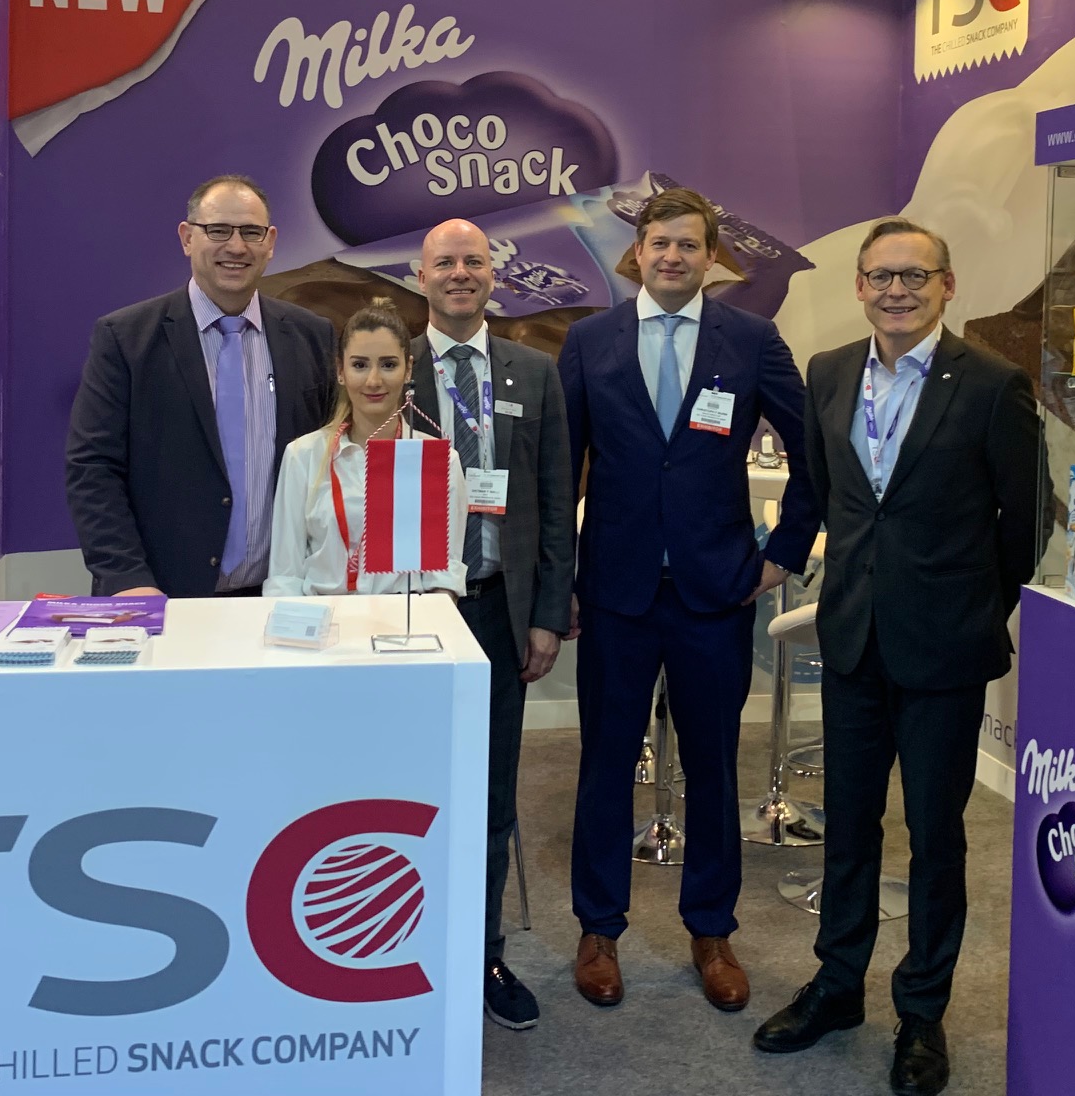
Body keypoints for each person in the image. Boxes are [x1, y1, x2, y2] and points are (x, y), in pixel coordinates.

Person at [754, 218, 1048, 1096]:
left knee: (935, 837)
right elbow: (827, 493)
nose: (897, 291)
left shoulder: (992, 384)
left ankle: (922, 1011)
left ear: (946, 285)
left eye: (915, 276)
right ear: (858, 286)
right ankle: (838, 986)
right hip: (851, 639)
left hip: (945, 649)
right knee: (848, 825)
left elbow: (1028, 520)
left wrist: (972, 608)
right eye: (881, 276)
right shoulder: (830, 372)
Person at [558, 186, 818, 1014]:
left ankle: (711, 929)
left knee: (712, 764)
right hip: (616, 592)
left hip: (715, 591)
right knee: (605, 764)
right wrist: (559, 582)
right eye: (660, 243)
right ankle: (599, 928)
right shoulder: (589, 341)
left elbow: (813, 450)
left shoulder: (751, 340)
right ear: (637, 253)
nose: (673, 257)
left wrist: (782, 554)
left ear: (712, 257)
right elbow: (560, 471)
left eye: (689, 245)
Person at [410, 218, 576, 1034]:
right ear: (420, 275)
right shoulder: (386, 365)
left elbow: (556, 500)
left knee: (488, 797)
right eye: (444, 262)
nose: (460, 273)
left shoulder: (533, 372)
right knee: (406, 789)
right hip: (408, 614)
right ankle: (404, 950)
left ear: (493, 274)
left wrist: (548, 614)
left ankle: (483, 955)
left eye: (473, 261)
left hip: (498, 612)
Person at [65, 175, 335, 598]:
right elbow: (93, 468)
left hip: (283, 599)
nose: (236, 247)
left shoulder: (312, 336)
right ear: (187, 238)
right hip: (160, 597)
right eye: (218, 230)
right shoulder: (126, 338)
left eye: (251, 232)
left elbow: (332, 462)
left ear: (270, 242)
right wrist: (126, 579)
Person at [265, 297, 466, 597]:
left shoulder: (438, 462)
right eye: (359, 365)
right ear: (340, 370)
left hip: (403, 621)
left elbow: (444, 579)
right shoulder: (302, 456)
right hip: (322, 620)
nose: (373, 380)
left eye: (388, 365)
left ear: (408, 370)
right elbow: (285, 578)